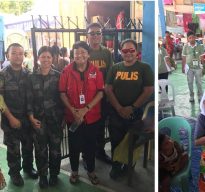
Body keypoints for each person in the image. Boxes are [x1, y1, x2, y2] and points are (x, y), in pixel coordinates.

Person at [105, 39, 154, 180]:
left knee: (132, 141)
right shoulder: (115, 68)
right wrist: (119, 108)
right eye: (125, 50)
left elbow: (148, 90)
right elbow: (108, 89)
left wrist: (132, 108)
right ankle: (116, 166)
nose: (128, 53)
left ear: (137, 52)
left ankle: (129, 165)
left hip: (136, 113)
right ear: (121, 52)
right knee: (116, 141)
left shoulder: (144, 68)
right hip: (116, 112)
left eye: (131, 50)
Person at [59, 41, 104, 185]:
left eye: (83, 52)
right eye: (77, 52)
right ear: (72, 54)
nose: (80, 55)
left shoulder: (95, 71)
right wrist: (74, 111)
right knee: (74, 146)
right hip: (73, 118)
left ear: (88, 54)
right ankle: (74, 171)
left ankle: (91, 171)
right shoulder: (66, 71)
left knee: (90, 145)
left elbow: (100, 93)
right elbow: (62, 93)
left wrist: (86, 109)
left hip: (91, 117)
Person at [0, 43, 38, 186]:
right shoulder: (2, 75)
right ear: (7, 55)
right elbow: (0, 98)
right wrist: (10, 118)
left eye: (20, 53)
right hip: (10, 119)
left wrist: (31, 116)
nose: (17, 56)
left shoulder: (28, 74)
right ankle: (15, 173)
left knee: (28, 146)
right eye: (14, 53)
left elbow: (32, 97)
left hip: (27, 119)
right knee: (13, 149)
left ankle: (28, 168)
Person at [27, 46, 64, 188]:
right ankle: (43, 176)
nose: (46, 59)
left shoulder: (58, 76)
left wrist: (64, 119)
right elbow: (28, 99)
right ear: (38, 58)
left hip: (55, 121)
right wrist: (30, 117)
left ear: (52, 58)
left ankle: (54, 175)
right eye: (43, 57)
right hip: (38, 121)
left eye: (48, 57)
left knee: (55, 150)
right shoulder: (31, 77)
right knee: (40, 150)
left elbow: (63, 99)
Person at [86, 22, 113, 164]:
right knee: (88, 127)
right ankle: (87, 155)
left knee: (101, 125)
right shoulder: (84, 52)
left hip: (102, 97)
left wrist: (107, 93)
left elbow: (110, 74)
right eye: (92, 33)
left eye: (98, 33)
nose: (95, 36)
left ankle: (100, 152)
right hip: (87, 98)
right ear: (87, 36)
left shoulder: (106, 53)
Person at [181, 31, 205, 102]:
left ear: (195, 38)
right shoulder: (185, 47)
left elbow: (202, 58)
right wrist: (183, 67)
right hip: (189, 68)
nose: (192, 39)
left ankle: (200, 95)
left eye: (193, 37)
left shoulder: (200, 46)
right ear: (188, 39)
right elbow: (183, 58)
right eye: (190, 38)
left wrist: (204, 67)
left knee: (199, 82)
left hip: (198, 68)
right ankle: (191, 96)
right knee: (190, 82)